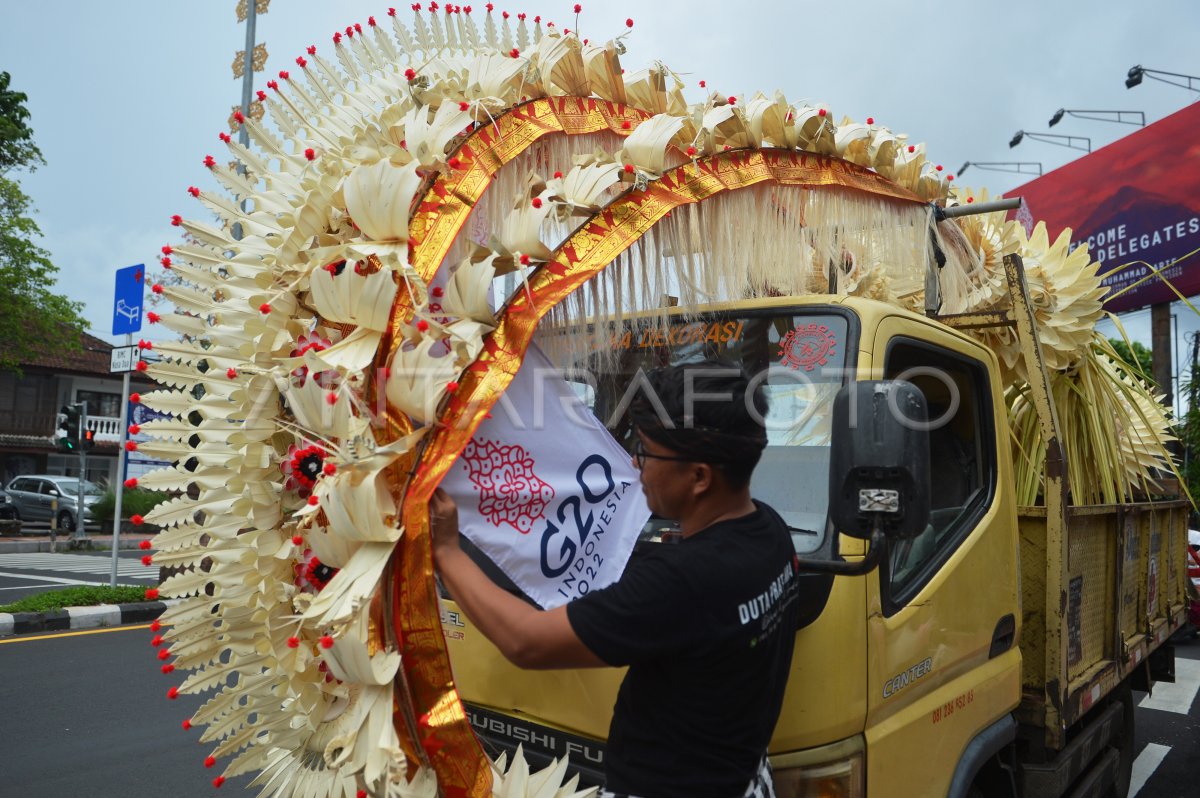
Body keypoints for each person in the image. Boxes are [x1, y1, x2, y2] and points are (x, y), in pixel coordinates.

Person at [430, 359, 801, 798]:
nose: (633, 462)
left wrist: (447, 552)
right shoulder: (771, 533)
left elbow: (525, 641)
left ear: (699, 477)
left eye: (646, 451)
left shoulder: (683, 583)